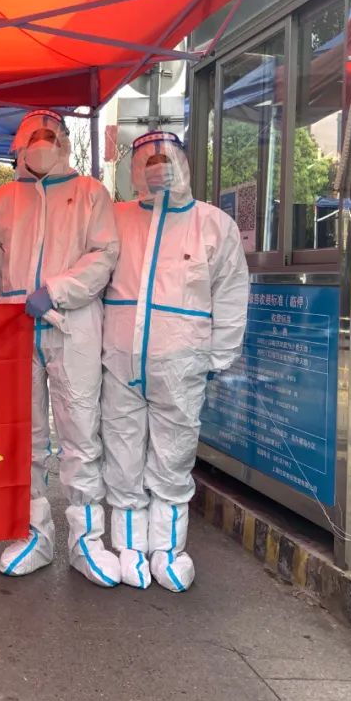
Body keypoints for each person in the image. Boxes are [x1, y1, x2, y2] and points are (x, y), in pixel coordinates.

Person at [101, 130, 248, 591]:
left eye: (165, 160)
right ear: (134, 171)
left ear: (183, 164)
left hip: (181, 366)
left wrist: (218, 357)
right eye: (148, 162)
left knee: (174, 456)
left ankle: (167, 549)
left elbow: (231, 292)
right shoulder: (117, 219)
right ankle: (128, 545)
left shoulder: (213, 224)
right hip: (119, 362)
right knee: (122, 452)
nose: (158, 169)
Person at [0, 109, 121, 587]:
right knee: (24, 434)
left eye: (50, 135)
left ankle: (87, 541)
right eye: (33, 137)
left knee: (80, 431)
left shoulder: (90, 193)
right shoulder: (2, 200)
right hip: (15, 326)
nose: (42, 143)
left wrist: (57, 291)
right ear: (19, 146)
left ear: (63, 141)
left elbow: (104, 254)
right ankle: (31, 533)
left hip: (73, 324)